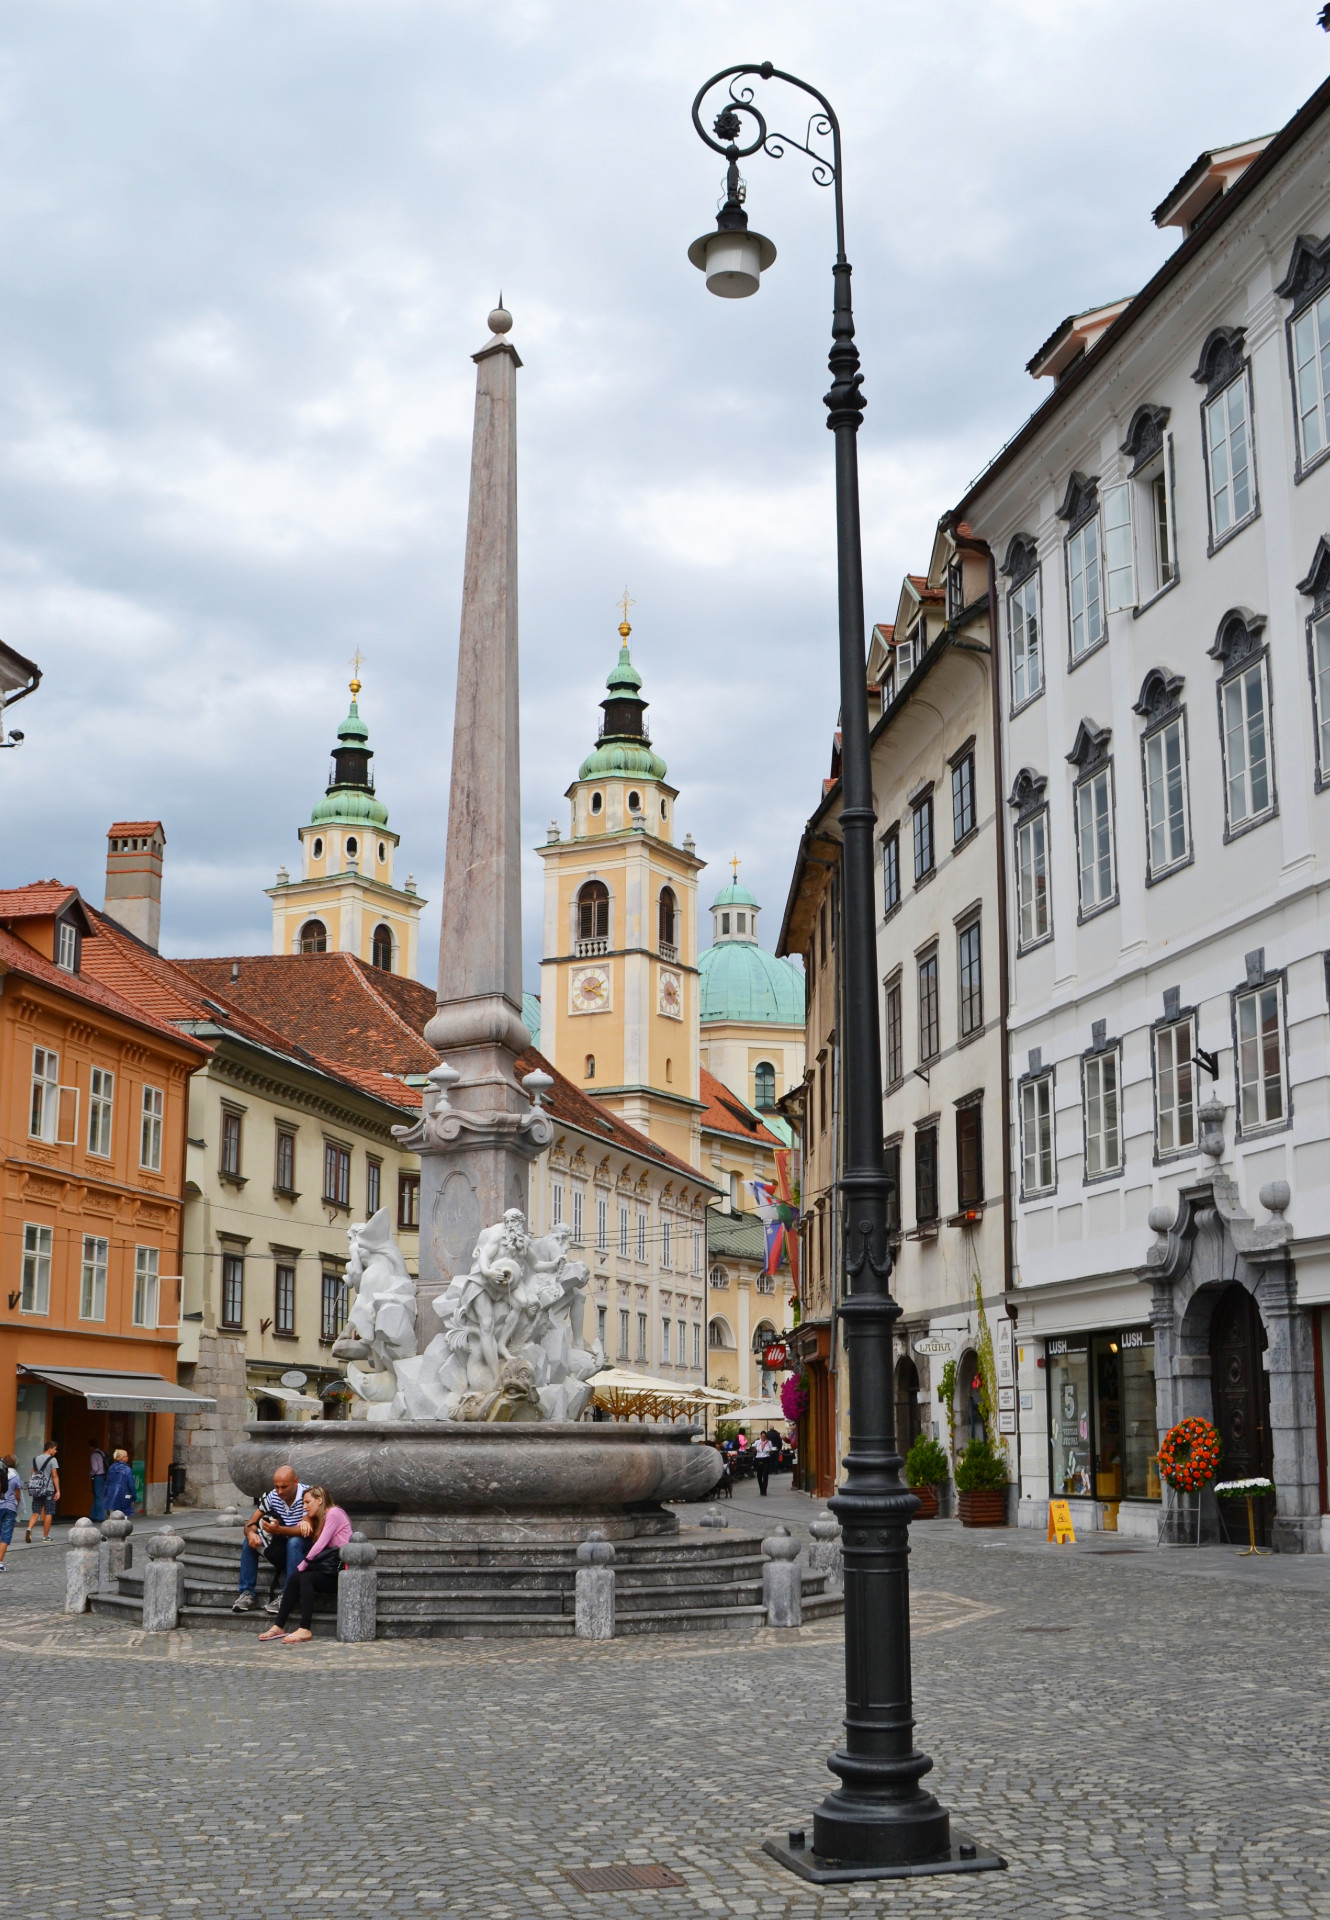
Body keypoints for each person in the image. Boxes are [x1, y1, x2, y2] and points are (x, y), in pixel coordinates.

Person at [259, 1485, 351, 1644]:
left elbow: (321, 1544)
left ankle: (305, 1628)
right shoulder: (322, 1517)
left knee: (305, 1578)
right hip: (329, 1568)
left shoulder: (334, 1514)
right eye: (303, 1503)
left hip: (341, 1572)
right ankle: (278, 1626)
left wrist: (304, 1564)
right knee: (295, 1578)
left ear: (320, 1500)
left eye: (308, 1502)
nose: (304, 1507)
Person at [232, 1465, 307, 1614]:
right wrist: (250, 1534)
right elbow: (250, 1524)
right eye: (277, 1487)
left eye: (284, 1487)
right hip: (280, 1546)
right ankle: (247, 1593)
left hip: (304, 1549)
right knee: (249, 1542)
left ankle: (289, 1595)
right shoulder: (273, 1496)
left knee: (294, 1542)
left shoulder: (307, 1495)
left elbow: (306, 1531)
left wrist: (280, 1530)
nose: (280, 1491)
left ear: (296, 1481)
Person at [24, 1439, 60, 1543]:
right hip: (48, 1489)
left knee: (36, 1511)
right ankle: (45, 1536)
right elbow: (55, 1476)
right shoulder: (53, 1460)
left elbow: (32, 1472)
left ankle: (29, 1528)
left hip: (37, 1489)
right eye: (55, 1449)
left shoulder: (35, 1459)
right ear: (49, 1449)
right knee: (48, 1512)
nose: (56, 1451)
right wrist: (58, 1491)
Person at [0, 1456, 21, 1570]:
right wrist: (16, 1506)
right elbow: (17, 1495)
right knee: (5, 1535)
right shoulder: (16, 1475)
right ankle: (0, 1562)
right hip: (10, 1506)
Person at [103, 1449, 135, 1519]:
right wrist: (133, 1498)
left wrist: (106, 1494)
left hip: (111, 1495)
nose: (127, 1457)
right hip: (124, 1495)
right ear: (122, 1458)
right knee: (123, 1518)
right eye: (126, 1456)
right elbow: (131, 1485)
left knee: (112, 1517)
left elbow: (107, 1482)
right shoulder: (127, 1469)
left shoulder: (111, 1468)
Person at [89, 1443, 108, 1524]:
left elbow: (95, 1468)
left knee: (99, 1496)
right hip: (104, 1476)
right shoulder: (102, 1453)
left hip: (98, 1477)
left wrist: (91, 1474)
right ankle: (93, 1515)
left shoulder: (94, 1455)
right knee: (99, 1496)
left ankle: (100, 1516)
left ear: (92, 1447)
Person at [754, 1430, 774, 1496]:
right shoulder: (757, 1442)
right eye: (762, 1436)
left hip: (766, 1458)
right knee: (759, 1475)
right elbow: (754, 1450)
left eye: (764, 1436)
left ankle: (764, 1490)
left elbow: (771, 1450)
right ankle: (761, 1489)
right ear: (760, 1436)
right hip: (758, 1458)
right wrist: (753, 1449)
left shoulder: (769, 1442)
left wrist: (771, 1451)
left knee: (765, 1475)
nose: (763, 1438)